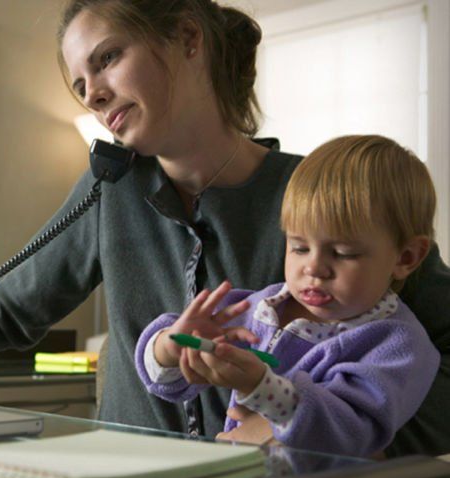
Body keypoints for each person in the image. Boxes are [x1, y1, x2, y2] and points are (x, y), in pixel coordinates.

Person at [0, 0, 450, 478]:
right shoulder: (108, 192)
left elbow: (435, 350)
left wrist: (359, 444)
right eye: (81, 83)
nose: (94, 93)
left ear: (187, 38)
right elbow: (4, 310)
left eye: (108, 59)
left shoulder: (325, 203)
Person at [135, 135, 440, 457]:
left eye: (343, 253)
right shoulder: (258, 309)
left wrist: (263, 388)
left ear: (405, 257)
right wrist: (170, 346)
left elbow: (350, 430)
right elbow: (169, 383)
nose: (314, 268)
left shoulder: (397, 345)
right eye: (299, 247)